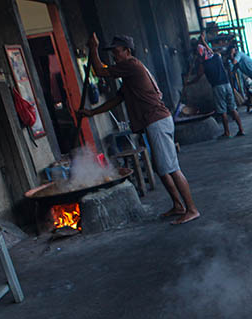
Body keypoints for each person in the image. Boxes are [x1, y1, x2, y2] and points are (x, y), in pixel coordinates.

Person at [78, 33, 200, 225]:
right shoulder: (129, 77)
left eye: (117, 52)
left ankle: (192, 209)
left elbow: (100, 71)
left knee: (172, 168)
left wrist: (93, 48)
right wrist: (91, 113)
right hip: (154, 122)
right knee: (162, 167)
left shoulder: (132, 65)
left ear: (127, 51)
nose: (114, 56)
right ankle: (178, 205)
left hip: (157, 121)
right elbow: (115, 100)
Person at [185, 41, 245, 138]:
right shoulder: (217, 57)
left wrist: (189, 83)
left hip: (218, 87)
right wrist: (203, 41)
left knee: (222, 111)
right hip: (227, 85)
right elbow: (211, 52)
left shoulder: (204, 64)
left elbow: (198, 77)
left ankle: (227, 133)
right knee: (233, 108)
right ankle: (241, 129)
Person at [225, 45, 252, 113]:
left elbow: (234, 62)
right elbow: (233, 70)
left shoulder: (239, 54)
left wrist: (231, 54)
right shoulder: (237, 60)